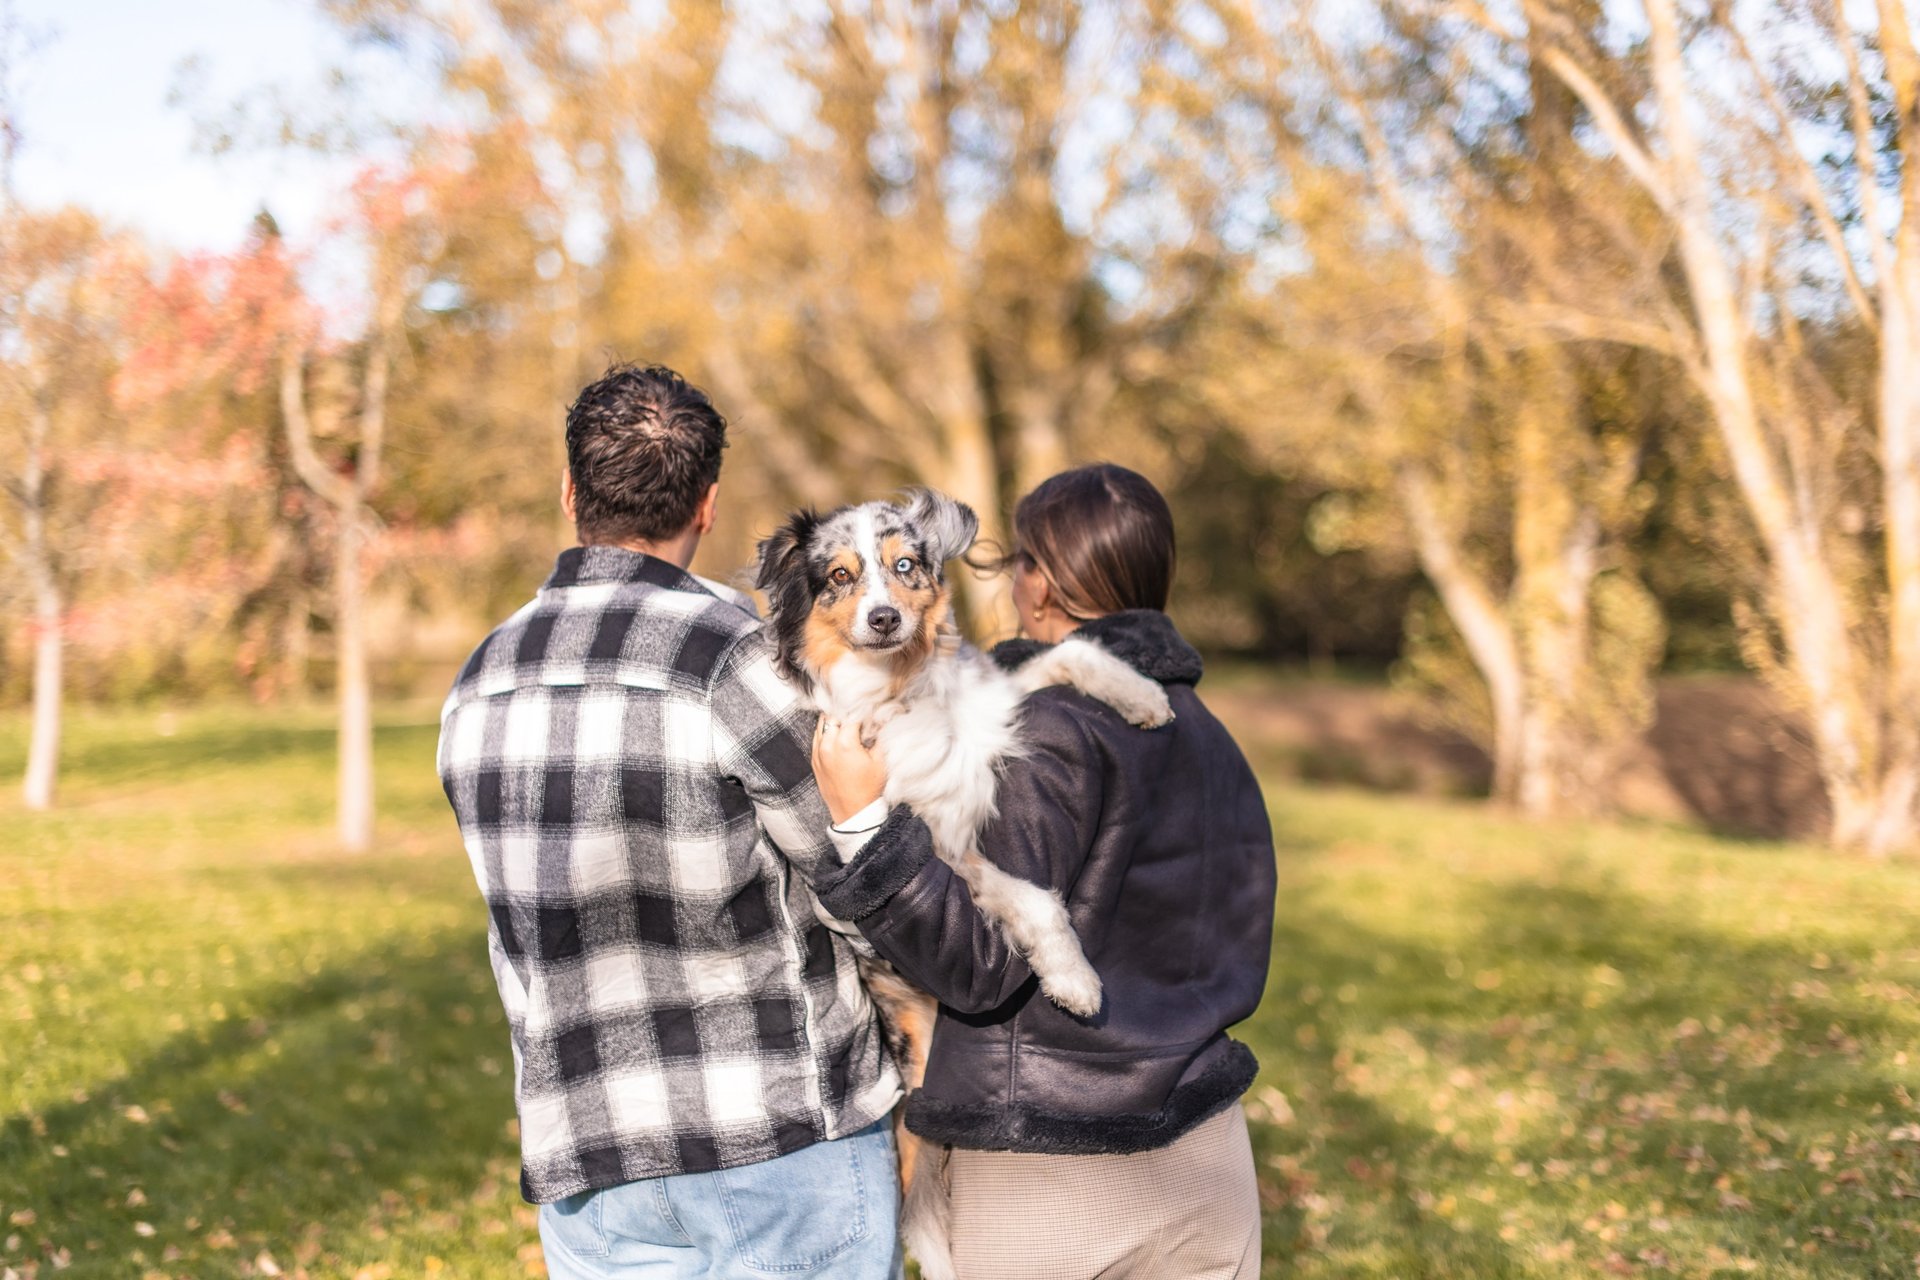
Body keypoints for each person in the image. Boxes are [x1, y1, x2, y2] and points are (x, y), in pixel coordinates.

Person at [437, 363, 904, 1280]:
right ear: (709, 505)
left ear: (570, 491)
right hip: (775, 1141)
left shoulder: (479, 677)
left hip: (589, 1153)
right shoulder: (741, 658)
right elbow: (855, 879)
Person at [811, 463, 1277, 1280]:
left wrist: (863, 829)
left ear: (1043, 582)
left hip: (1056, 1171)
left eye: (1020, 561)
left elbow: (982, 964)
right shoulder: (1211, 735)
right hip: (1211, 1157)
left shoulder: (1046, 731)